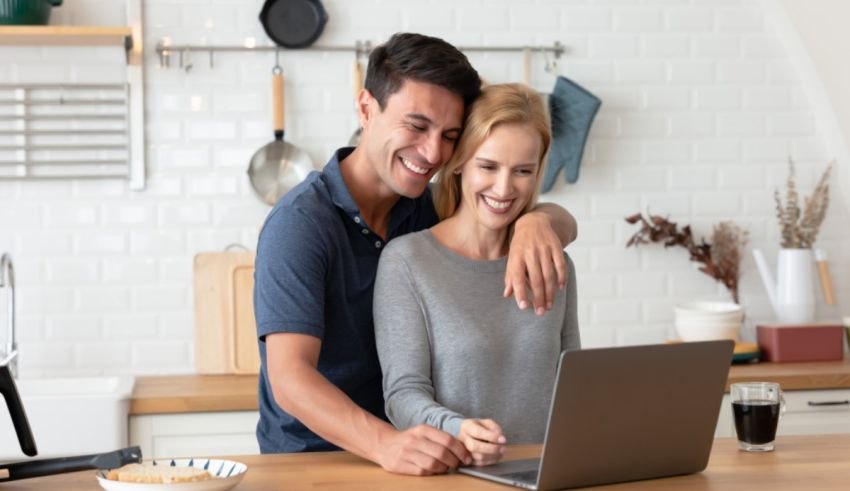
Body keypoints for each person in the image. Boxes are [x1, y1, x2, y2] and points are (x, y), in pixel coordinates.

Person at [253, 33, 578, 476]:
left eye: (449, 136)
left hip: (415, 453)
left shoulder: (424, 205)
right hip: (316, 458)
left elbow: (508, 199)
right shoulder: (301, 225)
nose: (432, 154)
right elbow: (290, 379)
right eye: (417, 125)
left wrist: (538, 223)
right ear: (367, 109)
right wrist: (385, 443)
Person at [373, 83, 581, 466]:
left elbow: (573, 386)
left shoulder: (554, 262)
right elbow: (402, 395)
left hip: (546, 473)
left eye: (523, 171)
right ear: (460, 163)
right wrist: (456, 428)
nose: (504, 188)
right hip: (453, 472)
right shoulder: (407, 262)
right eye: (488, 166)